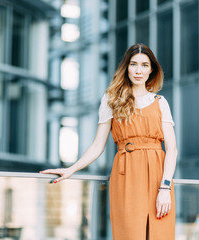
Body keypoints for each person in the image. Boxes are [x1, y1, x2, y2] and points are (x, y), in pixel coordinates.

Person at [40, 43, 178, 240]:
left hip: (158, 177)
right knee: (129, 233)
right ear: (126, 67)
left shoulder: (160, 102)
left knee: (160, 234)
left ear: (152, 70)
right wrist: (71, 169)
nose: (139, 70)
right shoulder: (111, 100)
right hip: (126, 174)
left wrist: (165, 187)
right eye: (134, 64)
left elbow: (172, 149)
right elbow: (97, 146)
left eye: (145, 65)